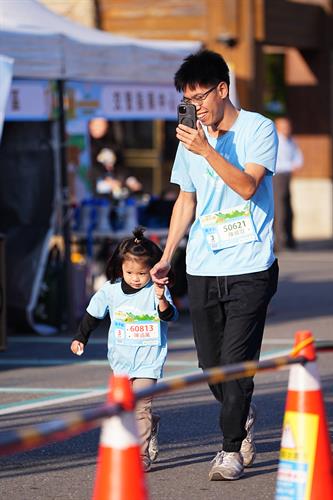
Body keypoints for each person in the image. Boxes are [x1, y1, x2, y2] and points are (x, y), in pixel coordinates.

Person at [150, 49, 279, 481]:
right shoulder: (192, 138)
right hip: (204, 265)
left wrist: (206, 150)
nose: (196, 107)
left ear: (223, 89)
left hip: (251, 264)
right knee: (211, 366)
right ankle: (239, 410)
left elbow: (246, 187)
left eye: (201, 97)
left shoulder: (258, 128)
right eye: (187, 100)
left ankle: (229, 450)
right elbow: (186, 199)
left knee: (236, 360)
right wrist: (167, 256)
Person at [71, 227, 178, 472]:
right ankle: (150, 427)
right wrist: (81, 338)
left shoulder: (155, 290)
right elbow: (92, 315)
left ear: (152, 270)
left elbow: (169, 316)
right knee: (125, 407)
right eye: (130, 272)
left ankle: (140, 455)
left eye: (142, 273)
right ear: (120, 268)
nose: (136, 278)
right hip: (121, 360)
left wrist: (161, 297)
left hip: (149, 361)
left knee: (142, 407)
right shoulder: (110, 291)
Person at [273, 116, 303, 250]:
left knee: (288, 209)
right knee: (279, 209)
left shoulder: (291, 141)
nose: (287, 128)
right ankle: (279, 241)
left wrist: (295, 165)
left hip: (287, 176)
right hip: (277, 175)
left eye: (288, 126)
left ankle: (290, 239)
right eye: (284, 126)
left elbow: (298, 157)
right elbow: (275, 161)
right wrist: (291, 165)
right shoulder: (275, 140)